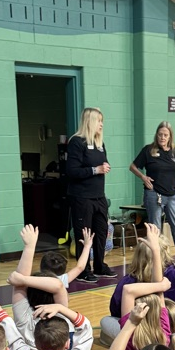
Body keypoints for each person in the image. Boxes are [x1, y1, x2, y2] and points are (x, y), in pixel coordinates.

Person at [65, 107, 113, 283]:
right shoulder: (76, 142)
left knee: (101, 231)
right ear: (90, 121)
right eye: (98, 120)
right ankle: (83, 269)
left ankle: (100, 265)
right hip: (82, 197)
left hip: (98, 196)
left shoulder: (100, 144)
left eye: (102, 121)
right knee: (84, 234)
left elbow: (101, 165)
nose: (101, 124)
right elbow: (72, 171)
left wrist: (104, 167)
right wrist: (96, 169)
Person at [129, 121, 175, 260]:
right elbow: (133, 166)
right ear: (156, 135)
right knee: (156, 229)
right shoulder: (149, 150)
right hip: (155, 194)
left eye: (165, 135)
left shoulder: (174, 152)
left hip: (172, 195)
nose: (162, 137)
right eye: (160, 134)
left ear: (170, 136)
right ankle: (157, 259)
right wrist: (143, 177)